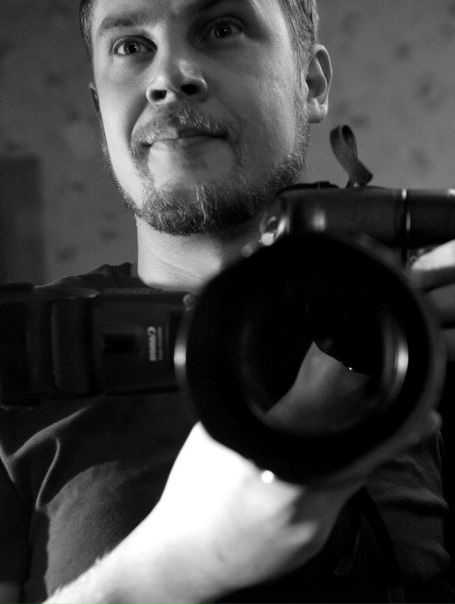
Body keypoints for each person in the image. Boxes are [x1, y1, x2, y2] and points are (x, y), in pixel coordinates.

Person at [0, 0, 453, 602]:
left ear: (311, 83)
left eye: (221, 28)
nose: (169, 77)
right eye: (131, 47)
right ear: (98, 106)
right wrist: (169, 568)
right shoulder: (19, 357)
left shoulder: (420, 325)